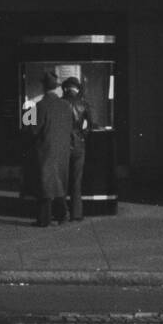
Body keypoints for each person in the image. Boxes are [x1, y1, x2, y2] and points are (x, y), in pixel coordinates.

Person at [32, 71, 76, 227]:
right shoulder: (65, 105)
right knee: (58, 182)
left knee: (45, 184)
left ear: (44, 87)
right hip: (62, 150)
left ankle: (44, 219)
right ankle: (62, 215)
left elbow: (33, 129)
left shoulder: (39, 105)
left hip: (45, 149)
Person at [62, 76, 94, 222]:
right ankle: (76, 213)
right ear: (77, 88)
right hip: (79, 144)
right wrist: (82, 135)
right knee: (76, 180)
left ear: (65, 88)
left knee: (62, 179)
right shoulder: (83, 104)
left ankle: (62, 212)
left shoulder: (61, 103)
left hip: (62, 144)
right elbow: (91, 125)